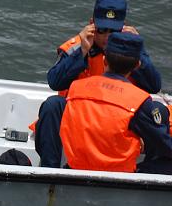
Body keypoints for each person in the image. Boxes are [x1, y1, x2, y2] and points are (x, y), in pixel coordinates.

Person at [34, 31, 172, 173]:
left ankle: (49, 172)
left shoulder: (76, 88)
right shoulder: (139, 101)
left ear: (105, 60)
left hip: (75, 169)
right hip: (120, 177)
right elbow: (164, 145)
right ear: (137, 65)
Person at [46, 0, 161, 94]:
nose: (107, 37)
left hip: (117, 107)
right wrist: (82, 52)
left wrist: (137, 50)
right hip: (81, 106)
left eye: (114, 31)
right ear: (92, 23)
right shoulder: (76, 46)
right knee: (53, 104)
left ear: (123, 27)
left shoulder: (130, 48)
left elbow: (154, 87)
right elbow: (55, 83)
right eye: (101, 30)